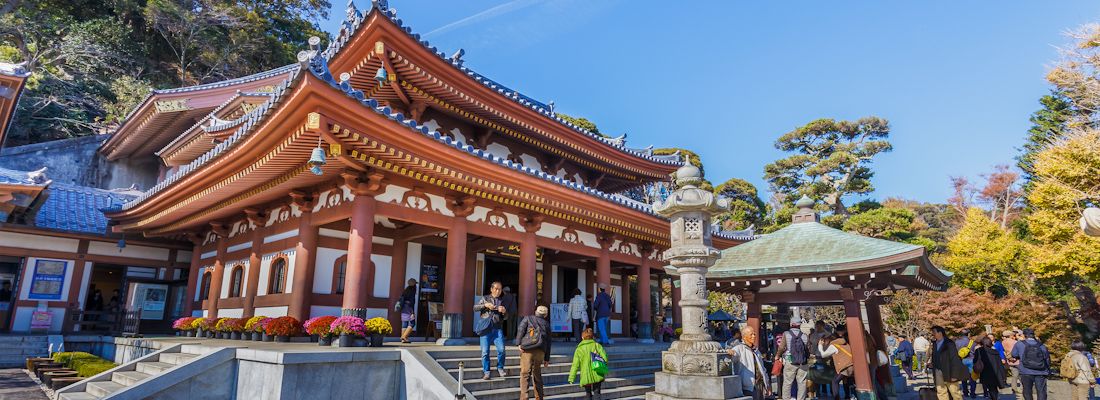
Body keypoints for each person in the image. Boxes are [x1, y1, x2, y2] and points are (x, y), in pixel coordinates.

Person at [516, 305, 551, 400]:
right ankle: (539, 397)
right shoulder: (546, 324)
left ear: (536, 312)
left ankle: (524, 397)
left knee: (525, 374)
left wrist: (518, 343)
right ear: (545, 315)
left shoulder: (527, 318)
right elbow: (548, 342)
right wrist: (547, 358)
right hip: (540, 351)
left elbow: (521, 330)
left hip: (527, 349)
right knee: (537, 374)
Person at [474, 281, 508, 380]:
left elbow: (506, 317)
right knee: (485, 352)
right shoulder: (485, 299)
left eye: (500, 289)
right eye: (496, 289)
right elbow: (475, 308)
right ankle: (487, 372)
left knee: (502, 350)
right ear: (491, 289)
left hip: (497, 329)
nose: (498, 291)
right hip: (486, 329)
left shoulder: (503, 300)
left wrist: (504, 312)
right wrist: (485, 305)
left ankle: (500, 368)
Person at [728, 325, 772, 400]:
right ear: (744, 337)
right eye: (751, 334)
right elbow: (733, 356)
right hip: (748, 385)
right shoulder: (739, 348)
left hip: (760, 384)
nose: (754, 336)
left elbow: (763, 369)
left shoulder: (756, 350)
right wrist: (730, 353)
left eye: (754, 334)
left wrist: (767, 384)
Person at [1010, 328, 1050, 400]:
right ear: (1033, 335)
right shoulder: (1041, 345)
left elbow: (1014, 354)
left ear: (1024, 335)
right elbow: (1047, 358)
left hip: (1025, 370)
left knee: (1027, 390)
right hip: (1041, 371)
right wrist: (1047, 370)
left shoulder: (1019, 344)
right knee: (1041, 391)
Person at [568, 328, 608, 400]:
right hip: (597, 372)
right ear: (592, 337)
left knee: (588, 394)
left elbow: (575, 365)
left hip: (585, 375)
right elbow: (605, 359)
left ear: (582, 337)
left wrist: (571, 378)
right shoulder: (597, 345)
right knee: (597, 394)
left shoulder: (579, 349)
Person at [930, 326, 968, 400]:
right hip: (938, 370)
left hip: (949, 371)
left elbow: (955, 359)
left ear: (940, 333)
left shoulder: (949, 343)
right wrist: (932, 363)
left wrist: (955, 375)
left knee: (955, 392)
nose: (933, 334)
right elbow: (935, 356)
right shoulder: (934, 344)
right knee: (941, 391)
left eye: (934, 332)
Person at [776, 320, 810, 400]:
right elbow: (808, 349)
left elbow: (781, 347)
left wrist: (778, 355)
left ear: (791, 324)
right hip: (803, 362)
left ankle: (786, 399)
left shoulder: (786, 334)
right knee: (802, 382)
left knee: (788, 382)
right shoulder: (805, 336)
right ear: (799, 325)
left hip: (790, 361)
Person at [818, 326, 854, 400]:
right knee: (846, 381)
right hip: (851, 364)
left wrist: (820, 346)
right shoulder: (845, 342)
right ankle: (848, 396)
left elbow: (823, 355)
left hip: (845, 366)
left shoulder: (834, 345)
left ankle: (836, 398)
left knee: (834, 381)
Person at [954, 329, 977, 398]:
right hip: (971, 360)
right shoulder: (972, 342)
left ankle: (965, 392)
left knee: (964, 378)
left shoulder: (957, 342)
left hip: (962, 361)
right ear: (968, 334)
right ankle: (972, 393)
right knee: (972, 378)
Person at [397, 279, 417, 343]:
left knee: (405, 322)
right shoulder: (412, 292)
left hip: (404, 308)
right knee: (412, 323)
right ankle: (404, 336)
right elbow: (412, 303)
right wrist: (412, 312)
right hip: (409, 308)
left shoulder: (405, 291)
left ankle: (403, 339)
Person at [1001, 329, 1020, 394]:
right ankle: (1018, 388)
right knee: (1019, 375)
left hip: (1008, 360)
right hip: (1016, 360)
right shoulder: (1015, 342)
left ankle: (1014, 388)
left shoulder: (1003, 342)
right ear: (1010, 335)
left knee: (1014, 375)